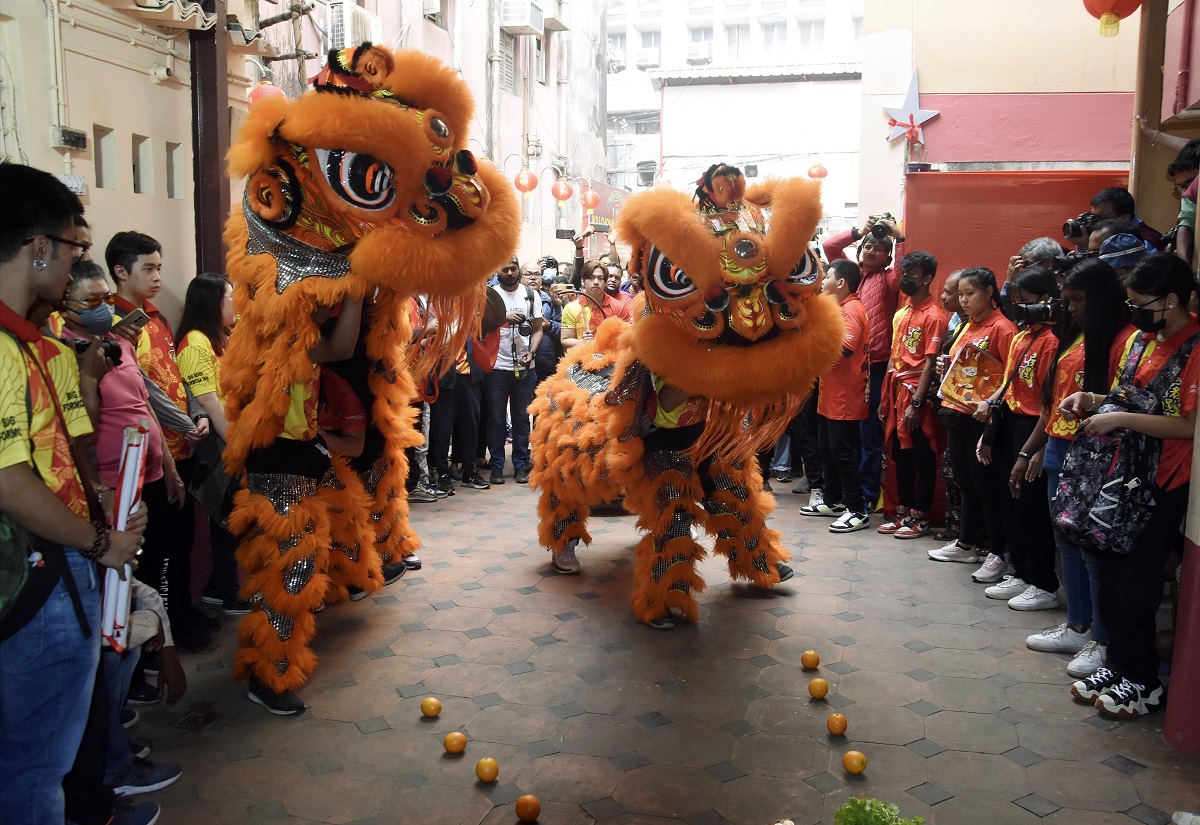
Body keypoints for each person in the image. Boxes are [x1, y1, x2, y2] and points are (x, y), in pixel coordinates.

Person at [0, 162, 147, 825]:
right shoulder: (5, 348)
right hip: (37, 576)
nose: (77, 267)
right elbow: (9, 480)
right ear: (37, 248)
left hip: (56, 561)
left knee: (38, 765)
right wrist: (101, 541)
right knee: (34, 774)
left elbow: (62, 452)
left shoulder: (33, 345)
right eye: (73, 249)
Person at [1063, 254, 1198, 718]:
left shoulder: (1196, 348)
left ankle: (1143, 680)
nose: (1135, 312)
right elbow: (1123, 396)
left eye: (1142, 304)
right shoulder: (1139, 341)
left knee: (1138, 584)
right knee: (1109, 576)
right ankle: (1119, 664)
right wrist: (1093, 400)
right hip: (1116, 478)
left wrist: (1119, 418)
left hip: (1162, 482)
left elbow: (1187, 426)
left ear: (1172, 300)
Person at [1013, 258, 1131, 675]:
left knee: (1091, 548)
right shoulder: (1073, 337)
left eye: (1078, 299)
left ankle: (1101, 636)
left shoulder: (1123, 341)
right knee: (1066, 541)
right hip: (1060, 447)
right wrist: (1029, 452)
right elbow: (1052, 403)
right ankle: (1078, 624)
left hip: (1098, 455)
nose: (1071, 308)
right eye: (1067, 299)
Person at [106, 231, 215, 650]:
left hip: (180, 448)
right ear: (120, 271)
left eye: (159, 268)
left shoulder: (157, 317)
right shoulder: (116, 326)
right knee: (156, 552)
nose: (156, 278)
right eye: (147, 269)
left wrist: (198, 414)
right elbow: (144, 390)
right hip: (153, 455)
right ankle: (163, 632)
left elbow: (178, 376)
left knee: (181, 541)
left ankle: (183, 615)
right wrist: (186, 422)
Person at [972, 266, 1061, 604]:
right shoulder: (1023, 337)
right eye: (1016, 301)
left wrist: (1037, 449)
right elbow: (1008, 386)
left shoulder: (1052, 343)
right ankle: (1019, 571)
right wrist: (989, 414)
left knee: (1031, 507)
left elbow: (1046, 402)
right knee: (1010, 502)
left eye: (1027, 301)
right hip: (1009, 424)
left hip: (1032, 429)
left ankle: (1042, 582)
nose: (1020, 308)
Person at [174, 272, 251, 615]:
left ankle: (217, 589)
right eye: (228, 298)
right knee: (226, 519)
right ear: (210, 303)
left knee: (230, 518)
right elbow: (208, 402)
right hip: (218, 444)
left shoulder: (220, 337)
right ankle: (229, 593)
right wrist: (237, 447)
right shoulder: (194, 342)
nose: (234, 304)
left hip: (230, 435)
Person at [928, 267, 1016, 564]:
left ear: (990, 292)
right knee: (965, 482)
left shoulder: (1003, 328)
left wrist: (990, 403)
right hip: (957, 411)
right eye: (961, 295)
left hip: (983, 418)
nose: (963, 301)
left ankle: (996, 551)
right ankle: (966, 543)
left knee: (985, 486)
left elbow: (1010, 377)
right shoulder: (968, 325)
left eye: (970, 294)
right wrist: (946, 366)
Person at [823, 216, 903, 511]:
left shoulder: (890, 279)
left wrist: (899, 236)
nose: (871, 250)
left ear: (887, 255)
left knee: (869, 433)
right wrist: (860, 230)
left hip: (876, 364)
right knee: (844, 435)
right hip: (848, 366)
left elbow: (905, 269)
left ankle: (867, 495)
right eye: (867, 245)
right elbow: (830, 245)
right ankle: (847, 494)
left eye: (879, 248)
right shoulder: (849, 276)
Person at [877, 251, 947, 539]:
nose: (905, 279)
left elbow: (930, 363)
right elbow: (894, 358)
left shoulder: (935, 316)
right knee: (899, 455)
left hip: (918, 395)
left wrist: (917, 403)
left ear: (927, 278)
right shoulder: (901, 313)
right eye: (903, 272)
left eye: (912, 274)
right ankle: (902, 510)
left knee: (922, 455)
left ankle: (922, 515)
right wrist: (886, 399)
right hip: (896, 394)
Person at [800, 260, 870, 532]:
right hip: (831, 394)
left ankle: (858, 509)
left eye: (827, 276)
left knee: (843, 454)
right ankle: (833, 500)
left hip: (844, 397)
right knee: (827, 450)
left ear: (841, 283)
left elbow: (845, 348)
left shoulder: (851, 309)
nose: (823, 281)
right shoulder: (840, 308)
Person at [485, 260, 544, 485]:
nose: (509, 273)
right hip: (496, 366)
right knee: (497, 418)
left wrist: (531, 351)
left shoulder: (530, 295)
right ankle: (497, 466)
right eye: (504, 270)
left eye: (513, 269)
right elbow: (478, 326)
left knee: (521, 417)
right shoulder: (490, 295)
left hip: (525, 366)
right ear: (497, 271)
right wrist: (503, 318)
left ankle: (521, 464)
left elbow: (538, 329)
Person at [936, 271, 965, 541]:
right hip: (951, 405)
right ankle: (958, 533)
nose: (944, 297)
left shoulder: (997, 327)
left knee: (965, 476)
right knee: (952, 472)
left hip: (971, 411)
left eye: (952, 292)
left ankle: (970, 538)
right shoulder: (958, 322)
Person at [561, 260, 633, 350]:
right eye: (591, 277)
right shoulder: (571, 308)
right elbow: (565, 340)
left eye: (600, 278)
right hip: (581, 358)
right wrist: (582, 342)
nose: (595, 282)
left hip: (611, 359)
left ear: (605, 282)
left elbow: (628, 338)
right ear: (583, 281)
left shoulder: (618, 307)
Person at [1089, 187, 1163, 252]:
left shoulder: (1144, 242)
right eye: (1094, 217)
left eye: (1102, 218)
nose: (1096, 223)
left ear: (1125, 219)